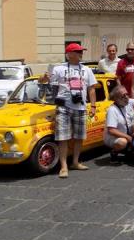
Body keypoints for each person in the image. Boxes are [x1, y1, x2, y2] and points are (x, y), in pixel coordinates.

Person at [41, 43, 97, 178]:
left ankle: (75, 162)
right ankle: (64, 166)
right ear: (69, 54)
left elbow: (91, 89)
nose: (80, 53)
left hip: (81, 106)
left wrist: (93, 106)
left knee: (79, 137)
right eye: (77, 51)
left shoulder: (86, 69)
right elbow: (45, 83)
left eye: (81, 51)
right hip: (63, 107)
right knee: (63, 138)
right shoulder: (58, 69)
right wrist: (43, 78)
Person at [103, 85, 134, 161]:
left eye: (127, 94)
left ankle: (130, 150)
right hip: (114, 137)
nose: (126, 97)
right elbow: (112, 130)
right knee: (122, 142)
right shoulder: (112, 110)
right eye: (123, 96)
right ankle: (114, 151)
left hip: (129, 135)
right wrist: (128, 137)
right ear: (116, 99)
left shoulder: (128, 101)